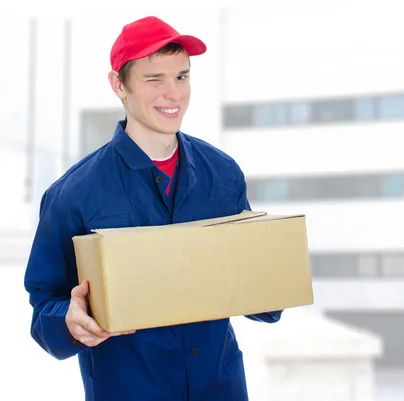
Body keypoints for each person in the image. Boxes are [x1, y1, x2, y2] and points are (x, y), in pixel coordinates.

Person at [23, 15, 282, 401]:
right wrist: (68, 320)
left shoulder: (223, 174)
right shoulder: (73, 194)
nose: (173, 94)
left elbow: (251, 288)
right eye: (154, 78)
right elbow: (45, 304)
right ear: (118, 85)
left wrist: (272, 281)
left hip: (221, 388)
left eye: (181, 76)